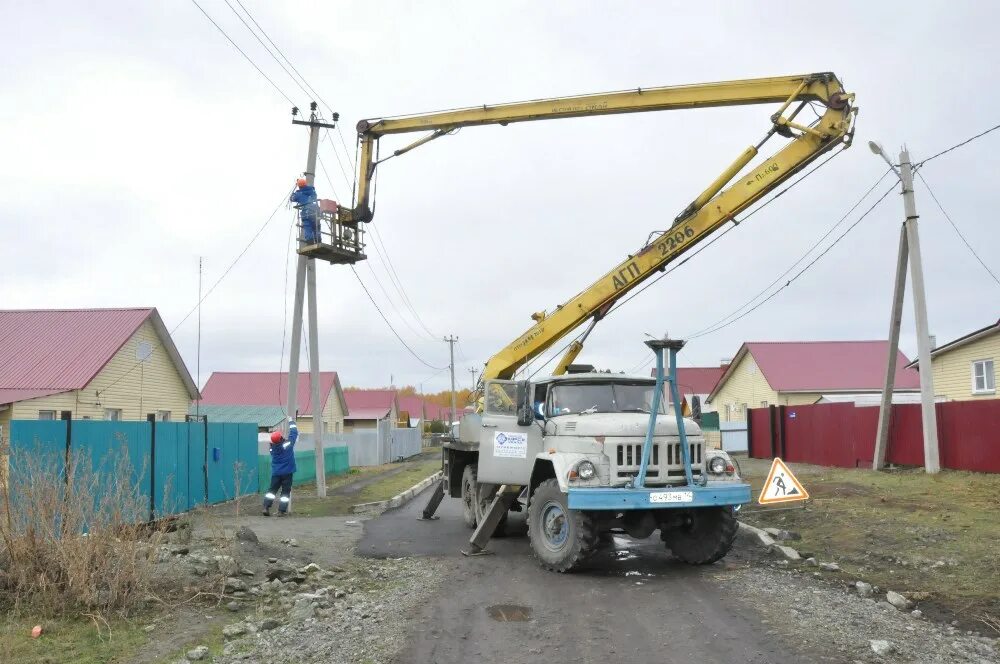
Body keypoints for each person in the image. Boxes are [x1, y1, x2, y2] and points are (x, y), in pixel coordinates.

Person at [263, 418, 298, 517]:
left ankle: (266, 506)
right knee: (285, 492)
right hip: (287, 473)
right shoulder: (287, 445)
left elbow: (271, 447)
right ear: (281, 438)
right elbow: (294, 432)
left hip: (276, 473)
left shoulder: (272, 449)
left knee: (272, 490)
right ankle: (281, 511)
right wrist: (291, 421)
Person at [289, 177, 320, 243]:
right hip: (315, 210)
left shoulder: (299, 194)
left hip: (307, 212)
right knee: (316, 226)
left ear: (299, 186)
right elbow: (313, 196)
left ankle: (310, 241)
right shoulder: (312, 190)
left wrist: (293, 193)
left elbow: (292, 198)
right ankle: (318, 240)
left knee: (307, 226)